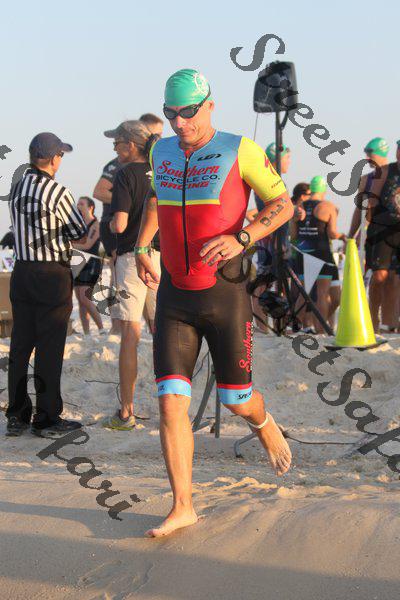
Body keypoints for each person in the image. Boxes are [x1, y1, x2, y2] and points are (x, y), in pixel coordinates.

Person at [135, 68, 293, 537]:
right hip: (174, 295)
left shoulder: (239, 148)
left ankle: (263, 422)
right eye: (171, 113)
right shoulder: (161, 150)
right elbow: (156, 201)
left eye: (188, 112)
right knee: (170, 402)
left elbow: (283, 204)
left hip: (224, 293)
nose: (179, 122)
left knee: (236, 400)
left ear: (209, 105)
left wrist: (242, 237)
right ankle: (183, 505)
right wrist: (142, 246)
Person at [6, 132, 86, 437]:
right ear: (54, 159)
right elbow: (78, 230)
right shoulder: (58, 191)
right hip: (51, 274)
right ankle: (47, 417)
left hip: (22, 272)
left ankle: (16, 415)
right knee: (49, 347)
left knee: (20, 344)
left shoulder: (16, 187)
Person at [102, 121, 161, 431]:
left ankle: (126, 412)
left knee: (130, 335)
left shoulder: (125, 174)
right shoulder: (160, 170)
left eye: (117, 143)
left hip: (132, 258)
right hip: (162, 257)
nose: (114, 149)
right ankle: (173, 407)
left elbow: (121, 224)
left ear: (131, 145)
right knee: (164, 333)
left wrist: (110, 225)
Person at [292, 176, 346, 333]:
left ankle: (296, 328)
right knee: (322, 294)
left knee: (303, 293)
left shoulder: (299, 206)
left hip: (303, 253)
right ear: (324, 190)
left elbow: (293, 235)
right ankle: (320, 329)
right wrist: (343, 237)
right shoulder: (328, 206)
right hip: (322, 253)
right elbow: (332, 233)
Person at [367, 139, 400, 332]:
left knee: (396, 279)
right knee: (379, 276)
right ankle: (373, 320)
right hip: (383, 229)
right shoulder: (386, 171)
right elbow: (371, 202)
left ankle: (393, 322)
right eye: (398, 149)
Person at [72, 197, 105, 335]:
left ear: (91, 207)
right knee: (80, 300)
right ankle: (86, 332)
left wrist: (70, 245)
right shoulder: (77, 224)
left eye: (82, 204)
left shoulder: (95, 224)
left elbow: (88, 245)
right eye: (78, 203)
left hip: (92, 262)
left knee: (85, 297)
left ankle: (101, 328)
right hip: (77, 262)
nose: (78, 206)